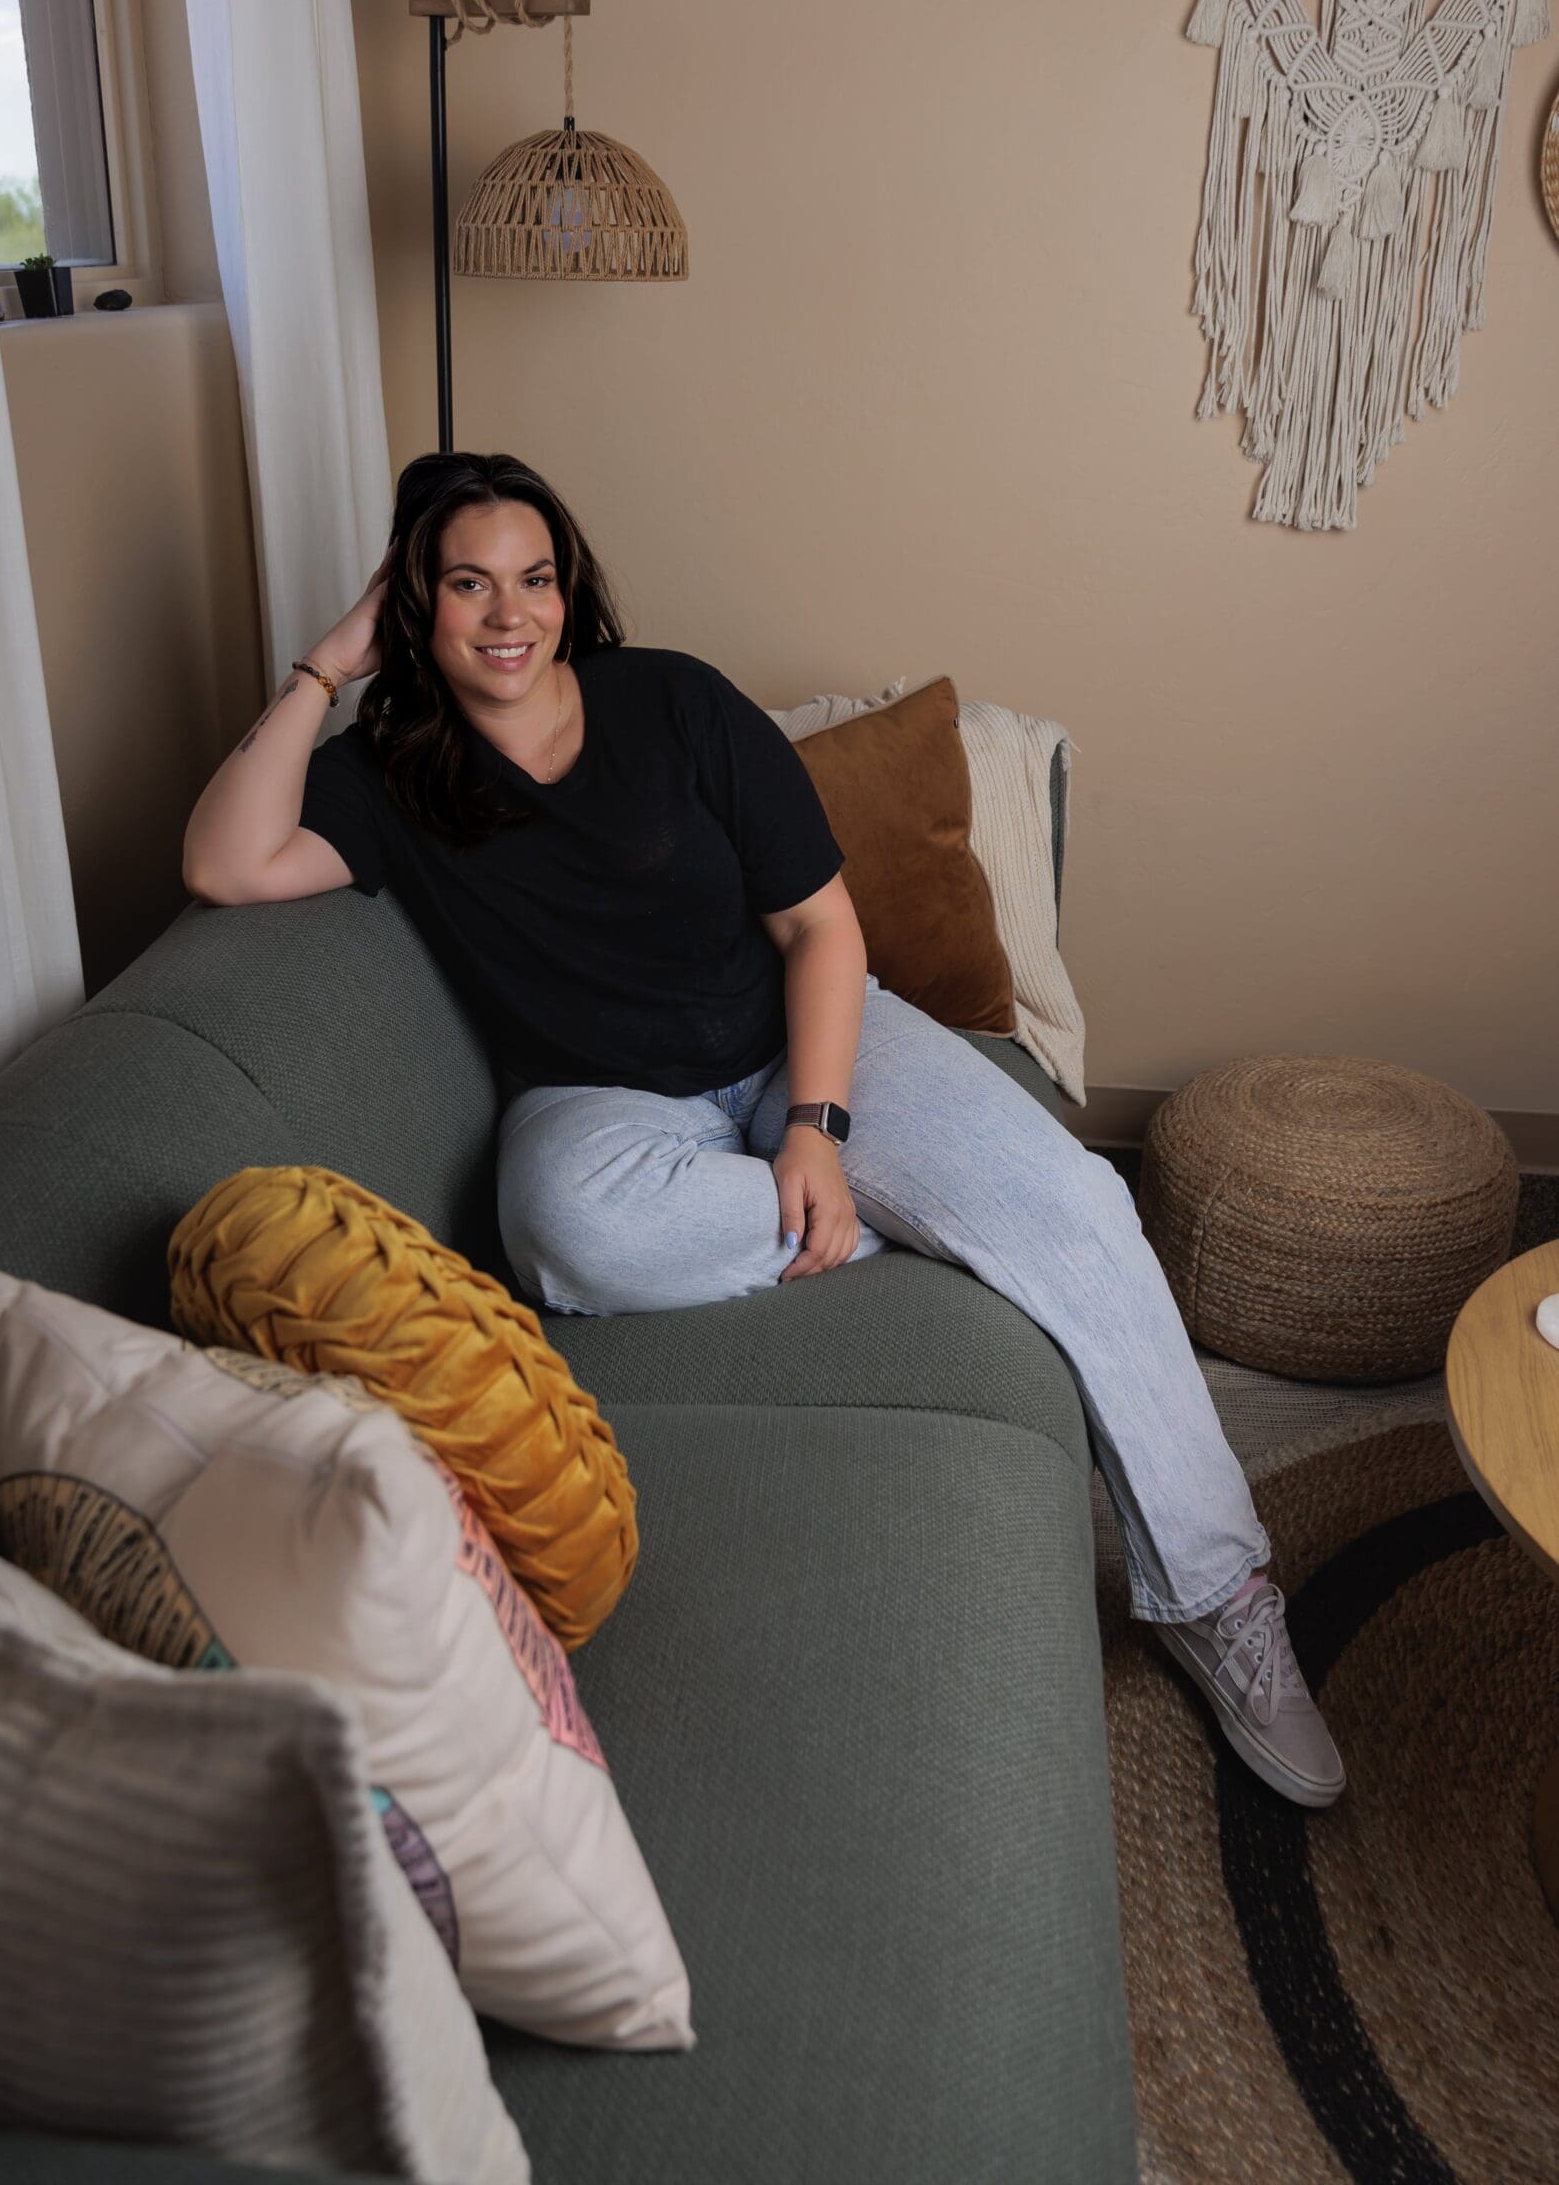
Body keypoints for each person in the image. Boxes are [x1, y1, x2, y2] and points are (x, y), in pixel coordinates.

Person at [183, 450, 1346, 1810]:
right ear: (416, 609)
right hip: (601, 1103)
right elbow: (224, 861)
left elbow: (821, 928)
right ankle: (942, 1224)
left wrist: (814, 1122)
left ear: (573, 591)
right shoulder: (397, 774)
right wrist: (328, 665)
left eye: (537, 579)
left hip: (792, 1040)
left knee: (1084, 1209)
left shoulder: (675, 705)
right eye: (465, 584)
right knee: (562, 1231)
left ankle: (1215, 1596)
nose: (509, 613)